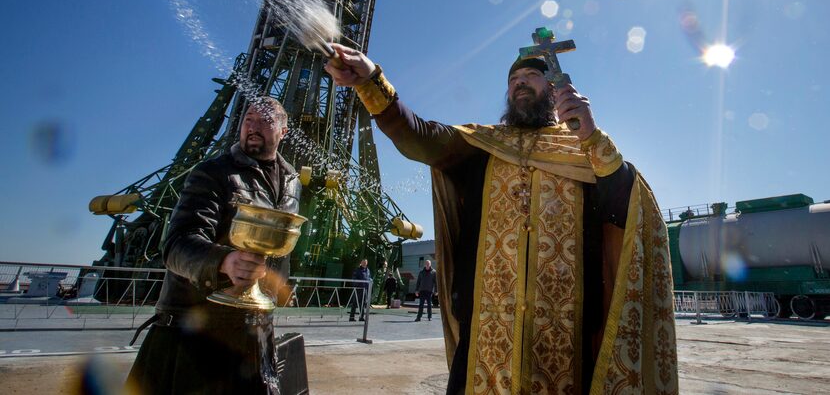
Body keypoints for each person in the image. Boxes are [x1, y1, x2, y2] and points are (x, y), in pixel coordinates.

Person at [326, 43, 678, 395]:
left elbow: (628, 209)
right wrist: (371, 82)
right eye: (513, 79)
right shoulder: (481, 145)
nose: (520, 83)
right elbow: (420, 136)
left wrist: (591, 137)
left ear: (554, 89)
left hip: (567, 348)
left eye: (531, 76)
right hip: (484, 343)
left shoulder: (584, 152)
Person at [126, 97, 301, 394]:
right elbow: (177, 245)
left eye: (264, 121)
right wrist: (223, 262)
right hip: (195, 331)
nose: (253, 126)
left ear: (283, 131)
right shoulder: (214, 173)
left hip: (254, 330)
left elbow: (278, 248)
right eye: (248, 119)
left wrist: (279, 288)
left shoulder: (292, 182)